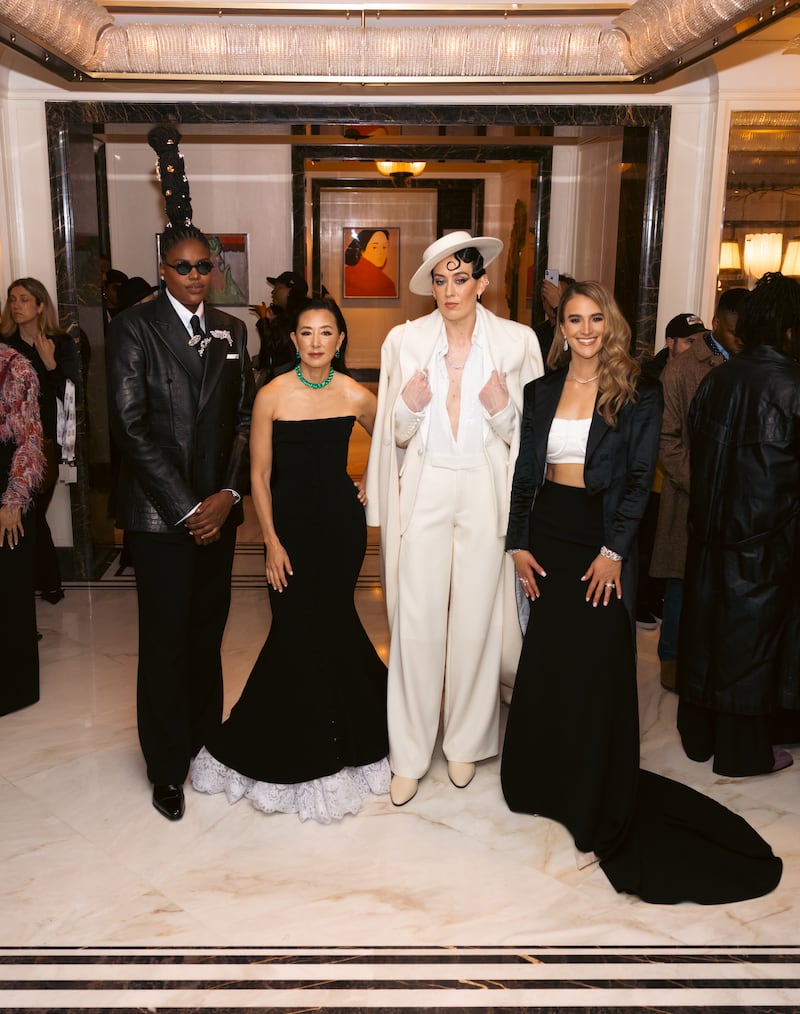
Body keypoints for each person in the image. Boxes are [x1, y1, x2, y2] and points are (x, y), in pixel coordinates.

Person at [501, 279, 782, 904]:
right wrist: (517, 542)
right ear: (562, 327)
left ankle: (595, 783)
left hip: (600, 538)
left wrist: (613, 553)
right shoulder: (540, 390)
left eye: (596, 318)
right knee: (548, 658)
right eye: (574, 319)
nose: (585, 330)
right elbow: (526, 473)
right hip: (547, 536)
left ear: (613, 324)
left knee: (599, 661)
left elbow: (636, 483)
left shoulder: (640, 392)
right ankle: (544, 778)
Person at [191, 297, 389, 822]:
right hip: (291, 534)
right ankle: (296, 737)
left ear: (340, 340)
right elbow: (258, 476)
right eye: (307, 332)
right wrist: (272, 543)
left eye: (327, 332)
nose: (317, 341)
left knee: (334, 624)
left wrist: (370, 482)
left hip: (340, 531)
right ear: (295, 339)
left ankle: (345, 735)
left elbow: (396, 437)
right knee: (294, 630)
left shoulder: (353, 392)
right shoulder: (273, 394)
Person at [107, 125, 254, 821]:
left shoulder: (234, 330)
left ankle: (205, 744)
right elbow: (132, 429)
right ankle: (167, 765)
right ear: (163, 269)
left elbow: (244, 421)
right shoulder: (133, 329)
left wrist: (226, 496)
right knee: (165, 644)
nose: (198, 277)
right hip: (162, 520)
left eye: (206, 267)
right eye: (185, 267)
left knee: (206, 636)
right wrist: (187, 506)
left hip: (218, 516)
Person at [366, 231, 543, 806]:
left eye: (460, 278)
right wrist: (408, 407)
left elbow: (531, 439)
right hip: (428, 484)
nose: (450, 290)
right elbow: (390, 435)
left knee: (476, 620)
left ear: (482, 281)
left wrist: (501, 412)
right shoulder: (404, 341)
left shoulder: (517, 342)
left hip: (486, 488)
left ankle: (465, 741)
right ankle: (410, 752)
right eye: (440, 280)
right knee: (415, 622)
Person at [678, 272, 800, 777]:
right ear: (790, 330)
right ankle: (744, 753)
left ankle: (700, 738)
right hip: (767, 545)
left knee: (709, 635)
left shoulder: (716, 380)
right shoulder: (793, 387)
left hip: (710, 537)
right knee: (754, 648)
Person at [649, 290, 747, 690]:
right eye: (736, 332)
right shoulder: (682, 370)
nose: (742, 339)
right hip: (691, 497)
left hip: (740, 502)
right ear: (718, 323)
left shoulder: (751, 365)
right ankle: (671, 660)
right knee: (681, 583)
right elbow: (667, 443)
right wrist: (709, 485)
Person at [0, 277, 80, 604]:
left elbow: (73, 394)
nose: (16, 306)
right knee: (30, 516)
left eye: (24, 299)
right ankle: (47, 584)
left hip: (47, 443)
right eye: (12, 299)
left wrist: (50, 365)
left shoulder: (61, 343)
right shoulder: (5, 345)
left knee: (32, 514)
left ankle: (43, 584)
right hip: (12, 447)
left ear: (40, 305)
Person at [635, 311, 706, 632]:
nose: (694, 347)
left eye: (698, 341)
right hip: (652, 476)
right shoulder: (651, 374)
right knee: (648, 544)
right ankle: (641, 603)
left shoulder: (700, 371)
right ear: (670, 342)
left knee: (669, 546)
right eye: (689, 341)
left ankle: (655, 600)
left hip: (674, 478)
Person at [0, 342, 44, 715]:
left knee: (9, 591)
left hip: (6, 488)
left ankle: (14, 689)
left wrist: (13, 498)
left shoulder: (15, 368)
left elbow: (29, 439)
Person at [250, 270, 308, 387]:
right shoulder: (286, 316)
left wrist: (263, 320)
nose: (273, 292)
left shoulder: (297, 317)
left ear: (289, 291)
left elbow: (273, 346)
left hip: (288, 383)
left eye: (278, 287)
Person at [344, 229, 398, 298]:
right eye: (374, 247)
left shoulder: (345, 274)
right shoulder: (387, 285)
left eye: (384, 247)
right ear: (362, 250)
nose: (381, 253)